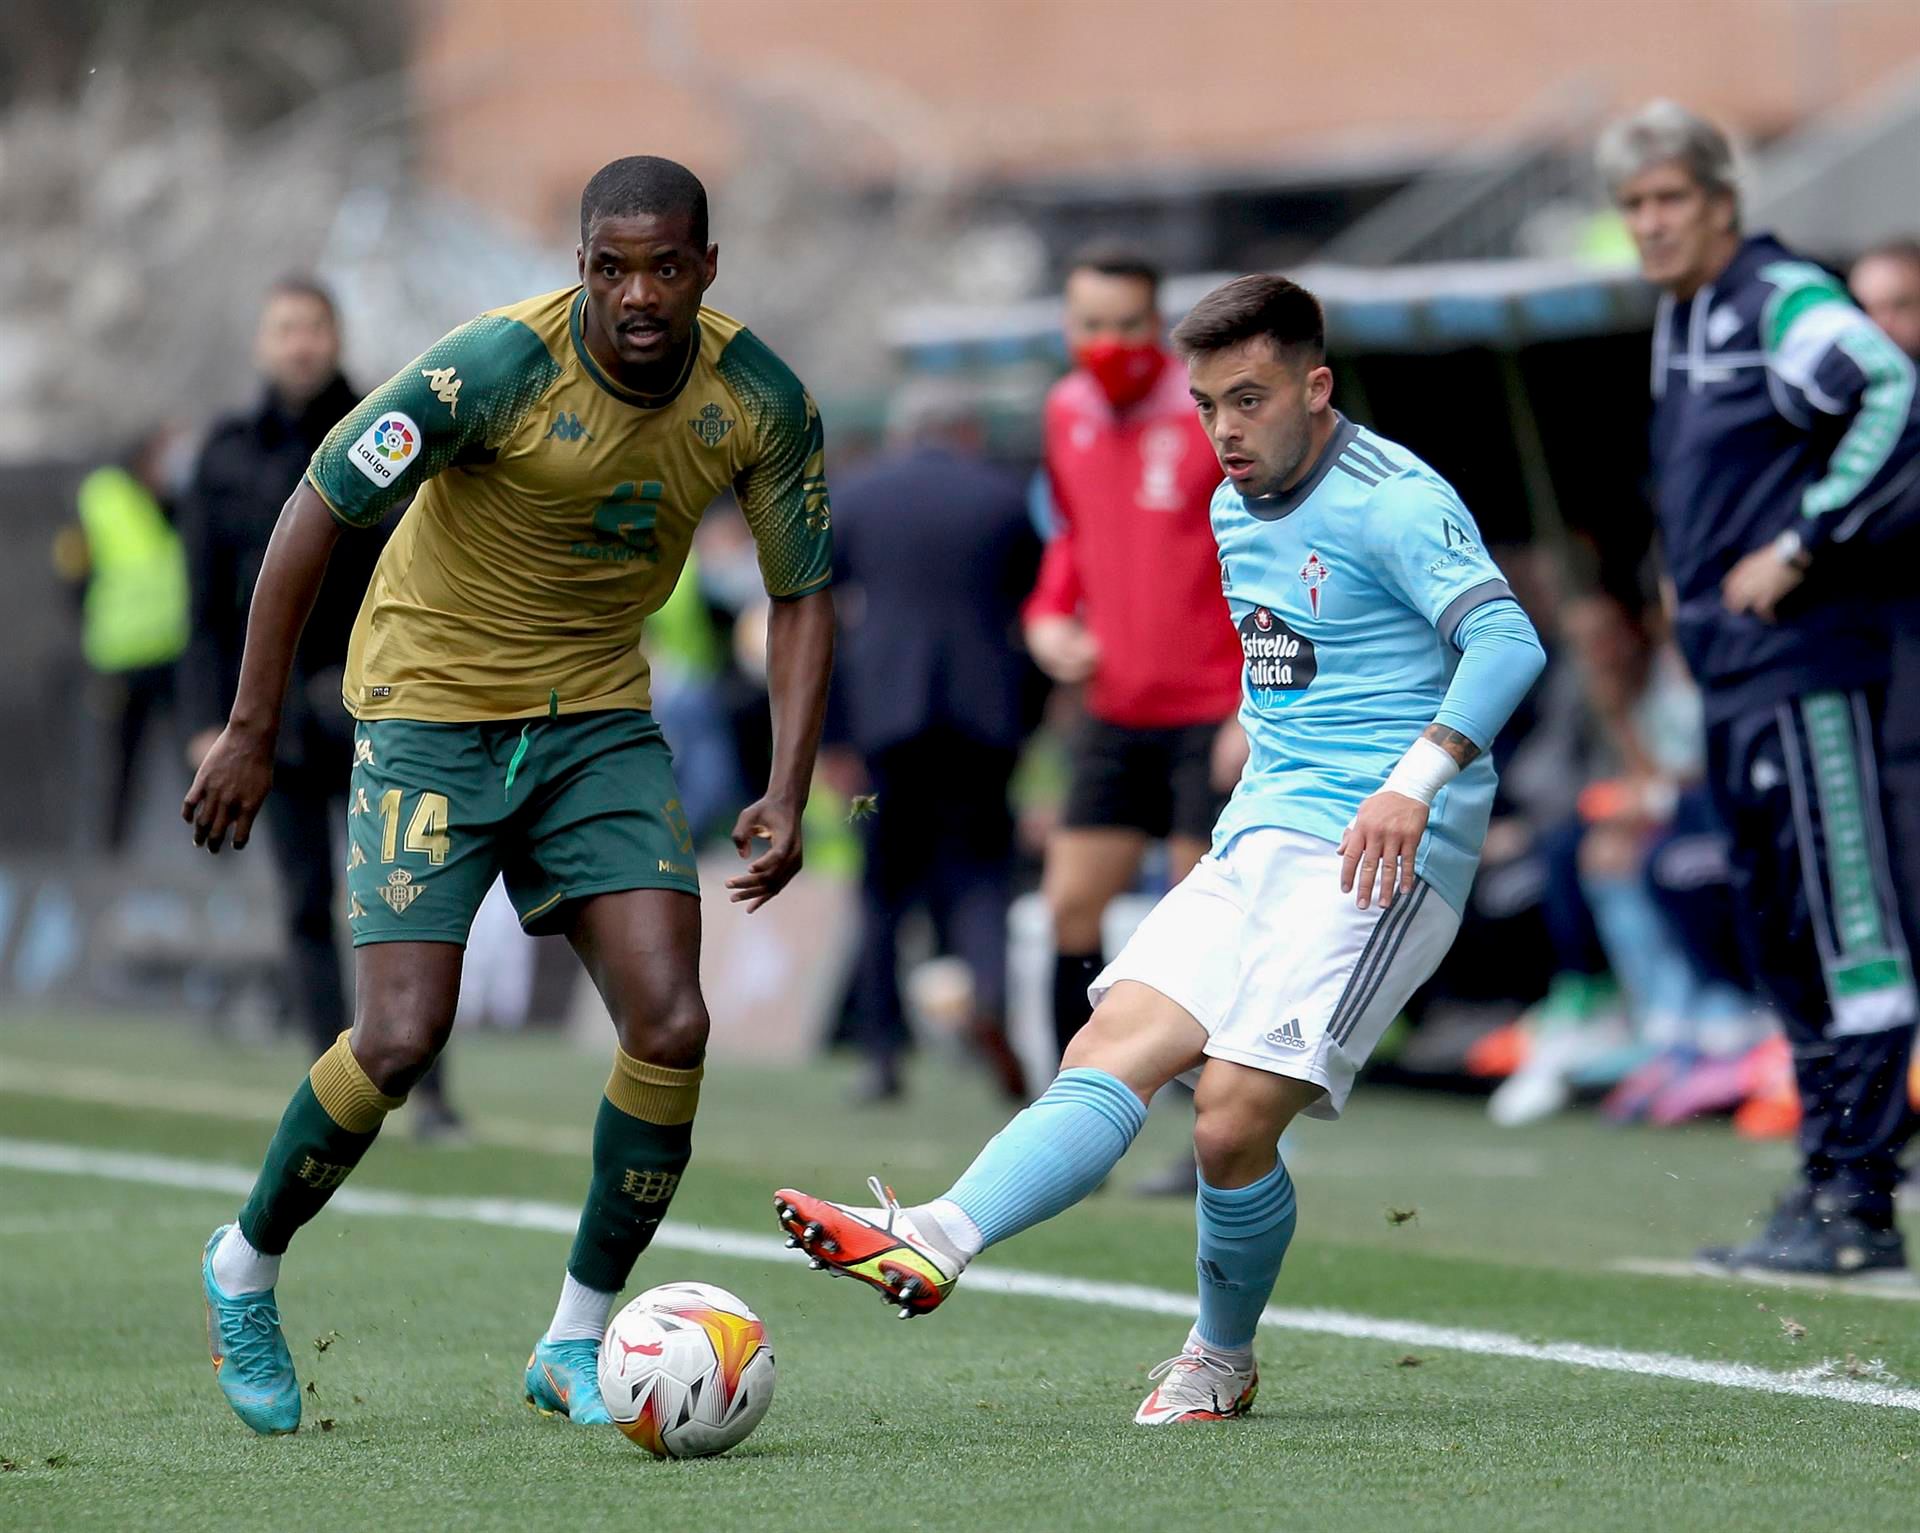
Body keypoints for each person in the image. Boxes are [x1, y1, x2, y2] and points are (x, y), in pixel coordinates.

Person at [774, 275, 1544, 1424]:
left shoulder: (1393, 498)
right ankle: (934, 1234)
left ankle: (1219, 1356)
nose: (1226, 430)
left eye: (1250, 399)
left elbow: (1506, 640)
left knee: (1227, 1118)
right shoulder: (1233, 504)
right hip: (1263, 835)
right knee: (1111, 1039)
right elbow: (1299, 656)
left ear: (1315, 386)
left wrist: (1412, 779)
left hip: (1385, 854)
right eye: (1208, 405)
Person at [184, 156, 835, 1435]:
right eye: (610, 266)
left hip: (595, 722)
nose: (636, 292)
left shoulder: (760, 398)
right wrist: (251, 727)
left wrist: (787, 784)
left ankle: (575, 1339)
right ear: (581, 265)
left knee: (672, 1023)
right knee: (403, 1040)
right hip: (429, 716)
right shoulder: (491, 368)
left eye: (663, 266)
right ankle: (243, 1265)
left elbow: (801, 591)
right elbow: (315, 508)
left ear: (708, 267)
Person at [1600, 102, 1920, 1278]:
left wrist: (1803, 541)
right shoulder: (1686, 314)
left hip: (1806, 671)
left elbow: (1889, 392)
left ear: (1723, 203)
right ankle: (1824, 1187)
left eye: (1669, 199)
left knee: (1847, 928)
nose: (1650, 223)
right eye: (1634, 206)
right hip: (1735, 677)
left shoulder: (1780, 301)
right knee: (1781, 929)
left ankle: (1862, 1201)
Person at [179, 278, 466, 1132]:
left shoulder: (387, 431)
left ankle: (432, 1094)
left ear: (336, 336)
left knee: (408, 899)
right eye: (285, 329)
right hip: (270, 725)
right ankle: (335, 1098)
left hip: (379, 710)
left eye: (315, 327)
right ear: (264, 342)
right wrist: (212, 721)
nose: (301, 344)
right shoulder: (225, 453)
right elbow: (201, 610)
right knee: (306, 902)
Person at [1026, 246, 1245, 1196]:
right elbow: (1072, 536)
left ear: (1156, 326)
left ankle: (1219, 1137)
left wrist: (1254, 702)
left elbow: (1260, 551)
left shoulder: (1207, 415)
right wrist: (1047, 616)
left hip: (1210, 710)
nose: (1107, 343)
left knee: (1203, 934)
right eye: (1090, 325)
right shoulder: (1064, 410)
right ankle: (1063, 1122)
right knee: (1071, 905)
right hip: (1116, 710)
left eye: (1126, 325)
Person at [826, 401, 1043, 1103]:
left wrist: (831, 738)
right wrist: (1028, 722)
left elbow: (817, 619)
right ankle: (987, 996)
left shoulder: (857, 496)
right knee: (982, 874)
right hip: (984, 724)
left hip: (884, 727)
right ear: (968, 433)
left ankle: (883, 1052)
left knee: (883, 886)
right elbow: (1035, 617)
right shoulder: (1005, 501)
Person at [58, 428, 192, 850]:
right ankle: (110, 858)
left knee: (198, 759)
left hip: (177, 653)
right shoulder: (101, 497)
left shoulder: (181, 501)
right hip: (122, 658)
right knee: (120, 767)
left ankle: (218, 856)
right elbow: (72, 573)